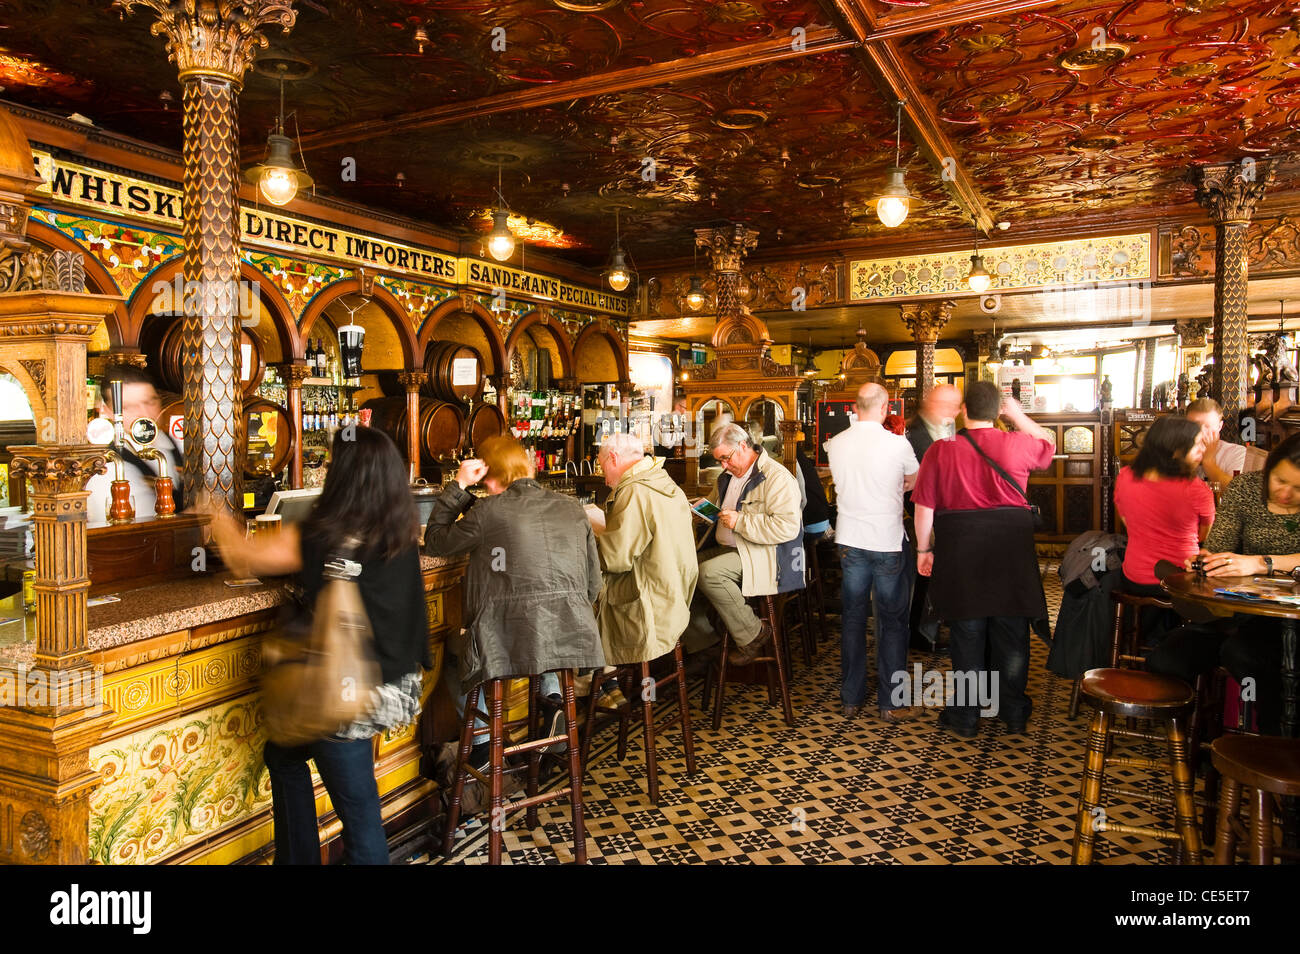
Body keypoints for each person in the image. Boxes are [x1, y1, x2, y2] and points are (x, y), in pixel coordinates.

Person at [209, 426, 430, 865]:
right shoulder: (399, 532)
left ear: (341, 475)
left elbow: (244, 556)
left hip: (346, 695)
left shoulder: (321, 535)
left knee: (362, 823)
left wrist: (213, 508)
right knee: (284, 754)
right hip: (399, 686)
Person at [424, 434, 605, 763]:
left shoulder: (489, 513)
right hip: (570, 634)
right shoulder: (572, 508)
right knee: (542, 638)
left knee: (452, 653)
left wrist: (459, 485)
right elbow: (593, 584)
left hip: (503, 643)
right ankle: (552, 702)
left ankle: (480, 746)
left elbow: (435, 541)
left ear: (488, 473)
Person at [913, 381, 1055, 738]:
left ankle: (965, 716)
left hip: (962, 548)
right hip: (1011, 548)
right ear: (998, 412)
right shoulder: (1018, 443)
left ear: (963, 410)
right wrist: (1018, 415)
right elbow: (1049, 443)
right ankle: (1014, 712)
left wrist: (923, 549)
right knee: (1011, 629)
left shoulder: (941, 449)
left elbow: (924, 506)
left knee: (967, 631)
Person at [1153, 432, 1300, 736]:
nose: (1285, 493)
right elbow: (1220, 547)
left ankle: (1275, 747)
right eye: (1279, 480)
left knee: (1247, 656)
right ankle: (1208, 741)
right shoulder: (1246, 489)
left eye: (1298, 488)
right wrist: (1207, 561)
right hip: (1238, 612)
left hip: (1286, 625)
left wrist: (1263, 562)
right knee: (1166, 658)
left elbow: (1260, 562)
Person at [827, 382, 919, 722]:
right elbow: (913, 481)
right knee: (892, 622)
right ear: (884, 409)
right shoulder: (898, 444)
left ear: (854, 407)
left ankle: (851, 698)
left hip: (850, 539)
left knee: (851, 619)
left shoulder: (835, 443)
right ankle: (890, 703)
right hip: (887, 540)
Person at [694, 422, 803, 665]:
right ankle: (705, 641)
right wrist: (702, 512)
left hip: (764, 554)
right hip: (729, 549)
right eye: (719, 460)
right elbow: (717, 510)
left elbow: (787, 527)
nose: (723, 465)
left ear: (743, 446)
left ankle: (754, 633)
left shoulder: (776, 477)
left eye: (725, 458)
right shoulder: (726, 477)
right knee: (685, 568)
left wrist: (741, 522)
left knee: (708, 573)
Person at [592, 432, 698, 667]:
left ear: (614, 458)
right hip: (674, 599)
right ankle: (604, 686)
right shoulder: (664, 481)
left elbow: (614, 560)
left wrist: (592, 542)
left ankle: (593, 687)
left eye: (602, 467)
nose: (604, 478)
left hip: (648, 608)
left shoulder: (634, 492)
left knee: (575, 609)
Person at [1113, 415, 1214, 599]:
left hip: (1134, 577)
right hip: (1180, 581)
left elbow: (1128, 521)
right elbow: (1205, 535)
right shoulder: (1197, 489)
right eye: (1198, 444)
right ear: (1176, 451)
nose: (1203, 449)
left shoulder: (1125, 476)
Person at [85, 365, 185, 524]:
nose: (144, 414)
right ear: (109, 412)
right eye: (129, 407)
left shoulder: (171, 443)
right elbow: (141, 529)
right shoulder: (108, 467)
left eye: (149, 402)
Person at [904, 383, 962, 649]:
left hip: (945, 511)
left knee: (935, 573)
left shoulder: (946, 428)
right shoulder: (913, 433)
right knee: (926, 573)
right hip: (922, 511)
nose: (954, 410)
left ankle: (930, 627)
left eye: (955, 405)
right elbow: (915, 480)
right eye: (948, 404)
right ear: (932, 404)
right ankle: (921, 633)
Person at [1187, 397, 1247, 486]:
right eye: (1195, 426)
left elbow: (1234, 491)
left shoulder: (1236, 452)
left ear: (1219, 426)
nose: (1201, 431)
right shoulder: (1175, 450)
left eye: (1207, 426)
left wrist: (1208, 461)